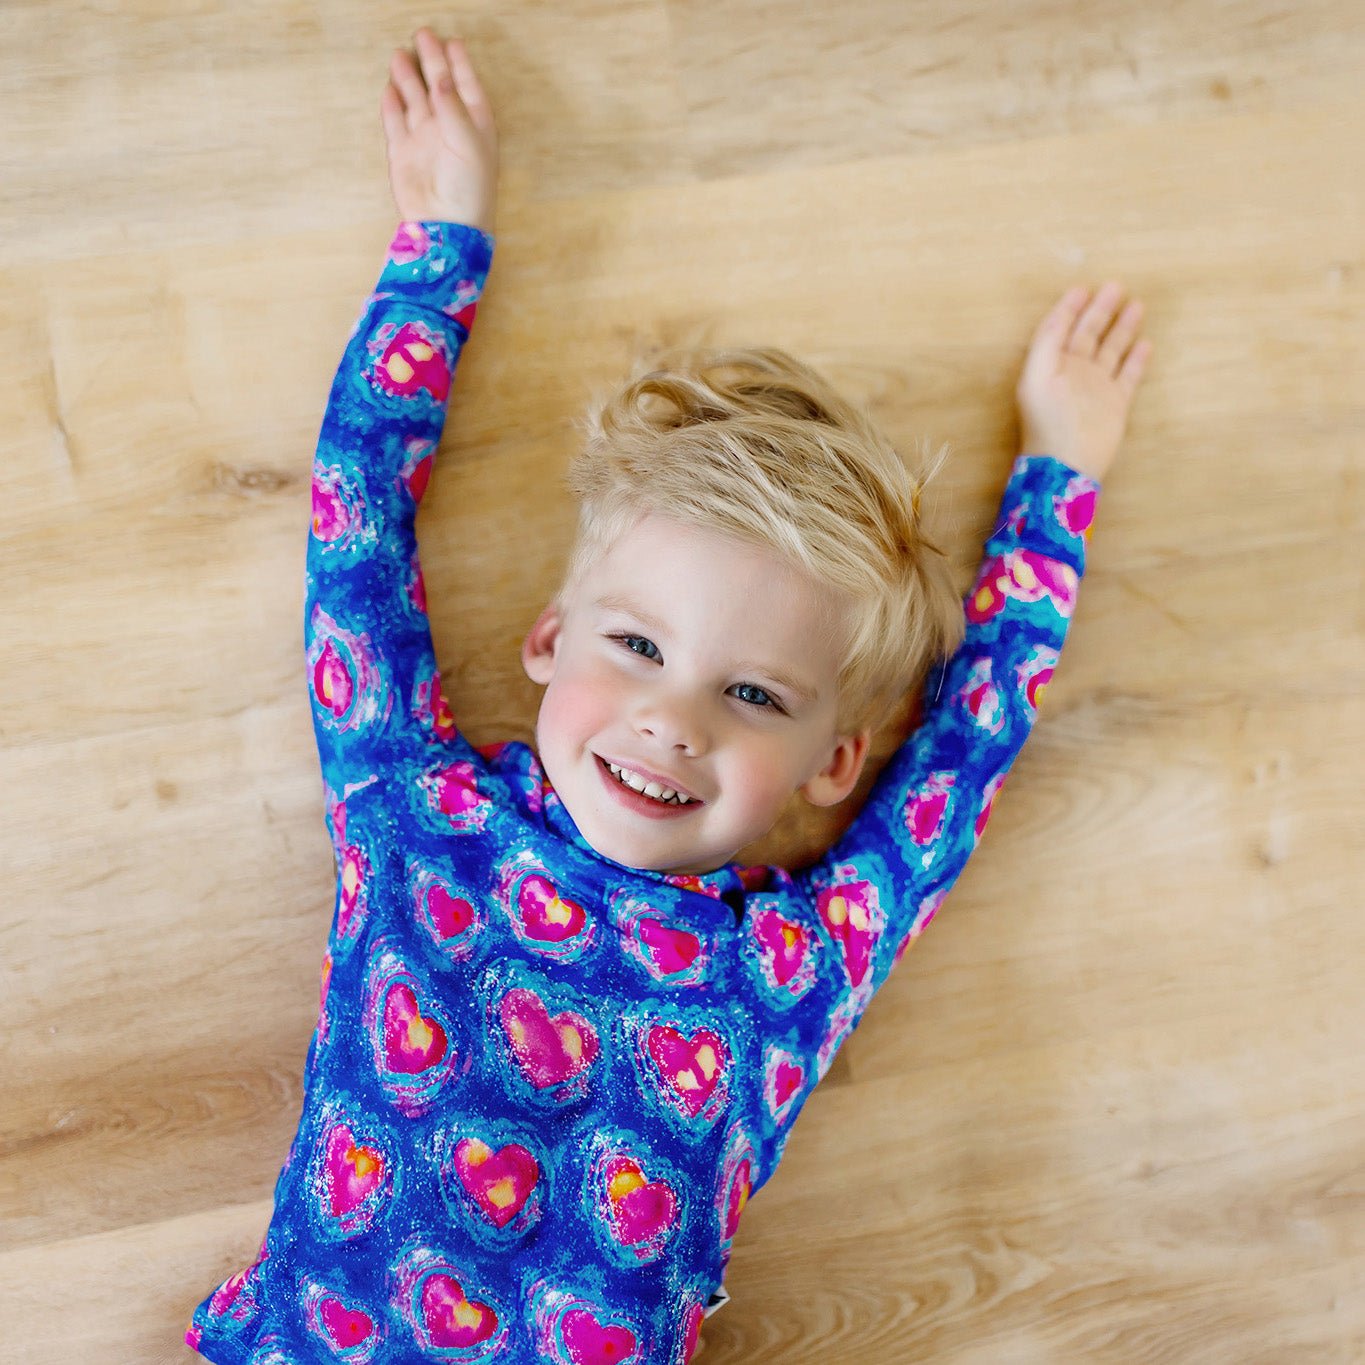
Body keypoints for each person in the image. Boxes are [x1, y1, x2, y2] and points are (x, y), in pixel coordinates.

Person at [185, 26, 1152, 1365]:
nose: (675, 719)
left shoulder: (791, 969)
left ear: (832, 762)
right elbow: (357, 511)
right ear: (547, 636)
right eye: (637, 646)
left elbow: (967, 749)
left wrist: (1059, 480)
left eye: (753, 691)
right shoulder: (413, 812)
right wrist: (441, 249)